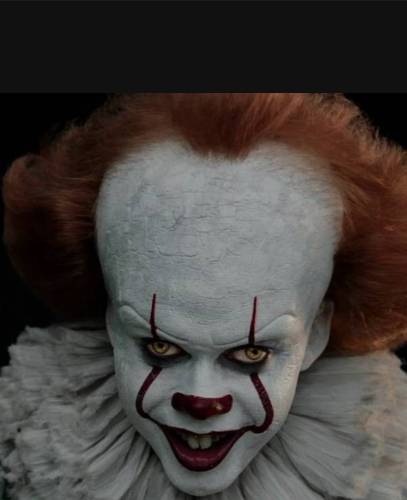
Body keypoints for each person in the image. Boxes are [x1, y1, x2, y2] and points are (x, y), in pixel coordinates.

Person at [0, 93, 406, 499]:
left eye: (251, 354)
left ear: (316, 333)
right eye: (159, 347)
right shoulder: (29, 455)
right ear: (111, 321)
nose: (202, 399)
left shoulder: (382, 471)